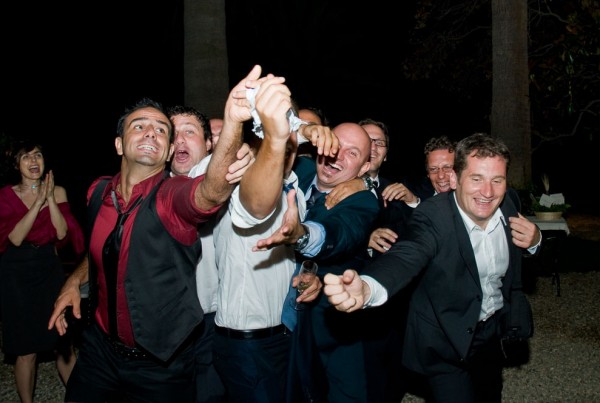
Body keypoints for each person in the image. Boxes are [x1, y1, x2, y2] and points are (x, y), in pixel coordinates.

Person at [48, 65, 263, 402]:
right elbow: (103, 249)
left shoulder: (170, 196)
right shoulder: (97, 193)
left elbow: (211, 192)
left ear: (165, 152)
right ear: (119, 144)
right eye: (140, 126)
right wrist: (72, 282)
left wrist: (233, 121)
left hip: (160, 365)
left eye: (161, 130)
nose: (151, 133)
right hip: (99, 353)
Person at [324, 133, 542, 403]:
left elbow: (522, 250)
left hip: (491, 335)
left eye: (497, 180)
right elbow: (407, 254)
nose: (488, 192)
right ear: (454, 180)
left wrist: (535, 241)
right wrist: (369, 287)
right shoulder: (432, 216)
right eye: (476, 179)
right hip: (444, 341)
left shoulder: (509, 202)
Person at [211, 75, 338, 402]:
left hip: (286, 333)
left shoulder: (295, 181)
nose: (285, 140)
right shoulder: (241, 175)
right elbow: (256, 205)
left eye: (288, 132)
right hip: (246, 344)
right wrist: (278, 137)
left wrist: (308, 274)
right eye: (273, 130)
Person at [256, 122, 380, 402]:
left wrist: (300, 234)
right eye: (336, 145)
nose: (337, 156)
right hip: (261, 319)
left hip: (325, 326)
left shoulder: (363, 201)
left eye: (352, 153)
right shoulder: (298, 169)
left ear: (363, 168)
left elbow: (339, 233)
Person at [167, 104, 255, 403]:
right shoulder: (154, 186)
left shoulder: (219, 175)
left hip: (210, 317)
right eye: (173, 133)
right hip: (164, 321)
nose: (179, 140)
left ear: (208, 143)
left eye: (189, 132)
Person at [0, 140, 85, 403]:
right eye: (26, 157)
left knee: (63, 343)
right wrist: (38, 203)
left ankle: (76, 398)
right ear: (17, 164)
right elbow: (15, 238)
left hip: (48, 267)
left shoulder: (57, 191)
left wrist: (49, 198)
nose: (34, 161)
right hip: (16, 271)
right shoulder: (5, 195)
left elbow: (61, 233)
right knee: (26, 350)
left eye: (38, 155)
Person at [409, 135, 457, 203]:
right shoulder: (420, 202)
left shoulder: (474, 201)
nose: (441, 176)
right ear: (428, 173)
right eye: (433, 169)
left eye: (447, 168)